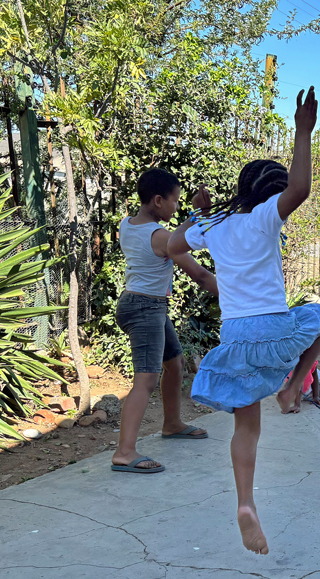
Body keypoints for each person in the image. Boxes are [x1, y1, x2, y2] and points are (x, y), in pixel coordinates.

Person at [167, 86, 320, 555]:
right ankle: (292, 387)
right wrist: (303, 130)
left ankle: (246, 504)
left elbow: (170, 248)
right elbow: (300, 189)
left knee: (248, 428)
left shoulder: (215, 224)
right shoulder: (266, 217)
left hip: (235, 338)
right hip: (272, 328)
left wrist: (201, 247)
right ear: (271, 194)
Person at [112, 168, 218, 474]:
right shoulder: (159, 236)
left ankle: (172, 423)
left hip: (141, 304)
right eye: (174, 201)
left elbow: (171, 238)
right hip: (146, 308)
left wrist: (194, 214)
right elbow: (198, 274)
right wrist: (234, 297)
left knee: (175, 363)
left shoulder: (128, 224)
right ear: (158, 200)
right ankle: (124, 451)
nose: (176, 207)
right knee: (145, 380)